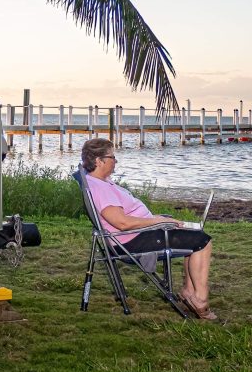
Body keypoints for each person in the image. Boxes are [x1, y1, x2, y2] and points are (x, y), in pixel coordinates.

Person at [81, 137, 217, 321]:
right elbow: (122, 223)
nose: (115, 162)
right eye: (112, 157)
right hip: (131, 241)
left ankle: (188, 291)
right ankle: (199, 299)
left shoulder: (100, 182)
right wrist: (156, 221)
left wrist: (158, 220)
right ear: (99, 161)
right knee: (202, 241)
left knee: (193, 235)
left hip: (134, 236)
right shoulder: (101, 188)